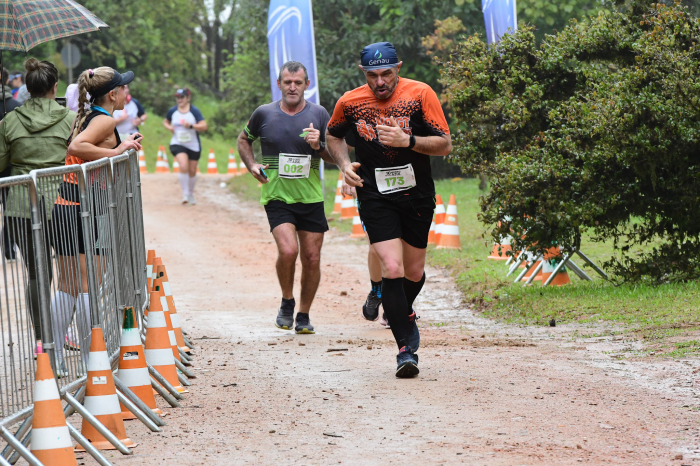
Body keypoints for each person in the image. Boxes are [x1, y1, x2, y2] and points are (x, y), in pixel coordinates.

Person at [327, 42, 452, 378]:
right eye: (372, 75)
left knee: (413, 271)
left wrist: (407, 141)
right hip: (374, 194)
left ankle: (402, 310)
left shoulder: (421, 94)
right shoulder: (350, 102)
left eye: (386, 73)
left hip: (417, 194)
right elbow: (333, 136)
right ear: (363, 72)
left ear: (398, 67)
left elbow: (444, 144)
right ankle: (405, 350)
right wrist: (344, 166)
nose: (380, 82)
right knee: (392, 267)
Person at [237, 61, 335, 334]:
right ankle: (287, 300)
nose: (293, 87)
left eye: (298, 82)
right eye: (288, 82)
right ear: (279, 83)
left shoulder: (319, 114)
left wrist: (319, 145)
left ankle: (303, 314)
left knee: (312, 258)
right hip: (277, 196)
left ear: (307, 85)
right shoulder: (264, 113)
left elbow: (334, 155)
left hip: (310, 197)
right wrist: (252, 165)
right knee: (289, 250)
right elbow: (243, 140)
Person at [56, 66, 142, 370]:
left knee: (67, 285)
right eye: (123, 88)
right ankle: (90, 359)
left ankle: (56, 358)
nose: (126, 93)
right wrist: (119, 150)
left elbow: (86, 148)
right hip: (87, 206)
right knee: (88, 284)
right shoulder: (105, 120)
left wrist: (120, 144)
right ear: (113, 94)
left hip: (66, 203)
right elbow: (77, 147)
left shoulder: (85, 115)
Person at [0, 58, 75, 362]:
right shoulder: (71, 120)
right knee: (73, 274)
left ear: (27, 89)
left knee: (36, 274)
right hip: (63, 202)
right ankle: (67, 333)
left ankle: (43, 341)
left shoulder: (9, 121)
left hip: (21, 204)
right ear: (55, 87)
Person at [163, 88, 207, 205]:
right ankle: (185, 193)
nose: (179, 100)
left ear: (188, 98)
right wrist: (170, 128)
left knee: (192, 170)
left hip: (193, 144)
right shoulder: (173, 111)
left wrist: (191, 126)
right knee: (183, 165)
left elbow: (204, 126)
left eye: (182, 97)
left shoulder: (194, 111)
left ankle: (191, 193)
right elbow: (165, 122)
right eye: (177, 97)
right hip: (177, 143)